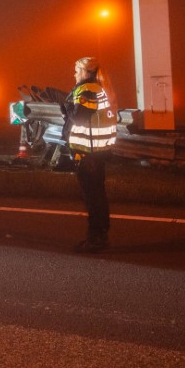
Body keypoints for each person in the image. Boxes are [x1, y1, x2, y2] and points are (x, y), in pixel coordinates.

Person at [64, 55, 118, 252]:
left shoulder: (88, 89)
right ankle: (99, 235)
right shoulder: (98, 87)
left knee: (93, 198)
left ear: (87, 73)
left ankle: (97, 238)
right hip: (97, 152)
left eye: (77, 70)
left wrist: (68, 106)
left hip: (89, 154)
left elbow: (79, 117)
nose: (74, 74)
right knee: (97, 196)